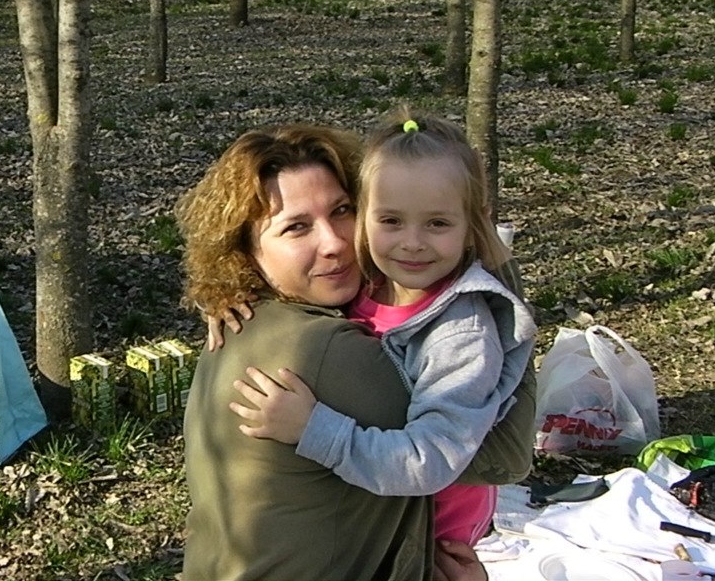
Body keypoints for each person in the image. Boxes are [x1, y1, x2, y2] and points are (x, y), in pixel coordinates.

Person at [175, 123, 494, 581]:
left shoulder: (251, 323)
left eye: (342, 211)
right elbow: (495, 453)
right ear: (244, 251)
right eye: (296, 227)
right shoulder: (325, 351)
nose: (335, 243)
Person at [223, 108, 537, 546]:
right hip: (377, 506)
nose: (412, 243)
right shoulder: (371, 279)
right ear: (365, 215)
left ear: (475, 224)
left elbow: (427, 461)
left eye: (438, 223)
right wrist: (224, 294)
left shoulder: (460, 333)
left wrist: (312, 429)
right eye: (390, 221)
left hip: (432, 533)